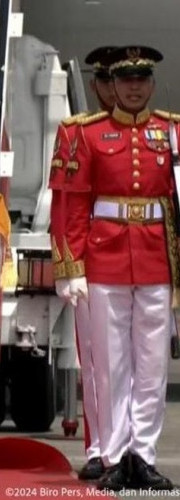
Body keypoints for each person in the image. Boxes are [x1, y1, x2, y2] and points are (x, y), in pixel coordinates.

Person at [65, 45, 174, 491]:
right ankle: (112, 454)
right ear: (112, 85)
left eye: (142, 79)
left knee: (152, 364)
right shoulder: (87, 134)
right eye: (126, 80)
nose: (134, 87)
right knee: (110, 364)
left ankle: (143, 455)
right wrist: (69, 266)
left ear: (151, 84)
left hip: (156, 256)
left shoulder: (171, 131)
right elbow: (71, 205)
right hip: (104, 254)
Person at [50, 46, 116, 481]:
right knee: (95, 362)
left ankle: (133, 448)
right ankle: (98, 446)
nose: (119, 90)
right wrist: (69, 265)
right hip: (95, 259)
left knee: (141, 364)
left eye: (130, 80)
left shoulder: (161, 132)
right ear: (95, 86)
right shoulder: (77, 133)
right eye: (109, 81)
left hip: (144, 260)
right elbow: (65, 206)